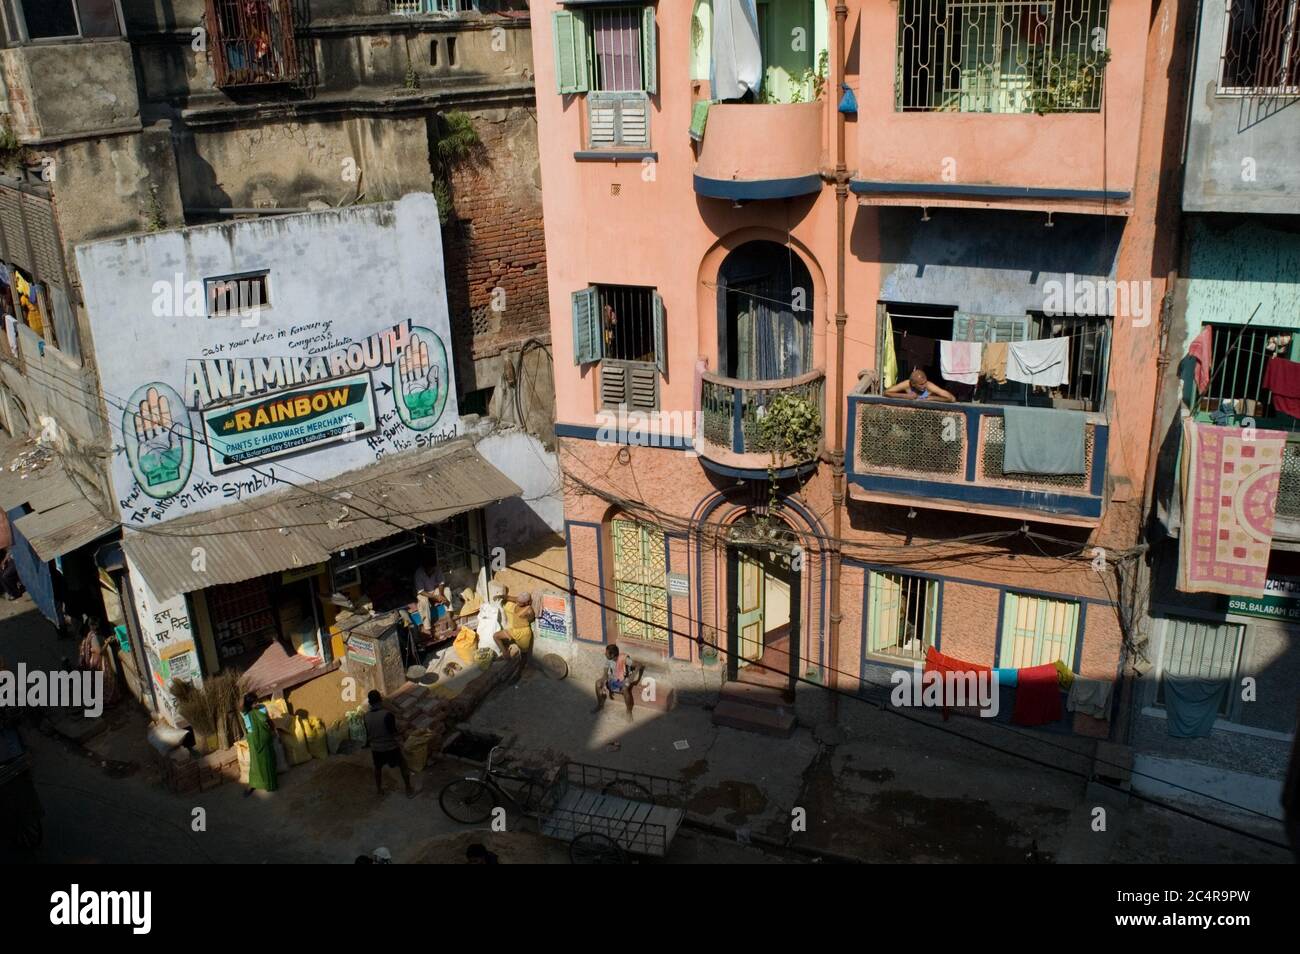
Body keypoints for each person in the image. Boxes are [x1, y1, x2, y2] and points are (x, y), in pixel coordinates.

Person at [364, 690, 414, 798]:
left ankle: (379, 790)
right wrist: (403, 746)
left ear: (370, 702)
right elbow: (394, 734)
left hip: (376, 749)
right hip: (390, 747)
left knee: (378, 768)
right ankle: (409, 789)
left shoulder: (366, 716)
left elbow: (368, 733)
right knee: (403, 765)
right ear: (380, 701)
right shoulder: (387, 715)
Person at [593, 643, 642, 721]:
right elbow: (605, 673)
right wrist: (603, 682)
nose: (604, 654)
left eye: (606, 653)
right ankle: (600, 705)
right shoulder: (608, 660)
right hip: (613, 679)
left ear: (612, 655)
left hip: (623, 680)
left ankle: (629, 711)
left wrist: (632, 677)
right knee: (598, 683)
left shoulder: (624, 659)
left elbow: (639, 665)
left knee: (625, 689)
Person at [241, 693, 277, 796]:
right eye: (254, 702)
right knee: (256, 763)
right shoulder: (246, 712)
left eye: (257, 701)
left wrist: (274, 731)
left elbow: (269, 720)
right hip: (254, 739)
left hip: (265, 736)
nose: (257, 703)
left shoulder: (262, 708)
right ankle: (253, 784)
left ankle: (270, 782)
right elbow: (240, 705)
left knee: (268, 760)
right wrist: (244, 697)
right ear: (248, 704)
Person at [414, 556, 450, 636]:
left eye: (432, 569)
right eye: (429, 569)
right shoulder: (418, 573)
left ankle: (449, 613)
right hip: (424, 593)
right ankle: (427, 627)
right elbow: (421, 591)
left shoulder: (437, 569)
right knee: (423, 601)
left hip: (435, 590)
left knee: (447, 590)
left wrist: (440, 594)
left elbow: (441, 583)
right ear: (424, 568)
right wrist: (435, 597)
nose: (431, 571)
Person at [884, 369, 955, 403]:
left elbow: (952, 398)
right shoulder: (906, 384)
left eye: (925, 382)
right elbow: (886, 392)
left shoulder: (929, 386)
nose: (924, 386)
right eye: (921, 384)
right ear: (913, 384)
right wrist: (906, 396)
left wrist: (932, 398)